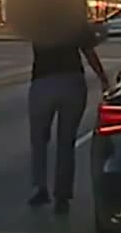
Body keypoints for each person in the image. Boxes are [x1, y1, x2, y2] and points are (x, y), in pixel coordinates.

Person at [27, 16, 110, 214]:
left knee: (39, 138)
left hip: (42, 82)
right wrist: (103, 79)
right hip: (72, 81)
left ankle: (40, 187)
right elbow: (89, 51)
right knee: (66, 141)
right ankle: (62, 195)